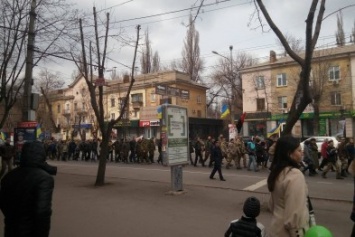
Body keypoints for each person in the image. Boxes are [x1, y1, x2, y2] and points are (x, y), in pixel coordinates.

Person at [0, 140, 57, 237]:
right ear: (42, 155)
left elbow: (3, 203)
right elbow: (42, 212)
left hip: (11, 228)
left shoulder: (9, 176)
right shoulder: (44, 179)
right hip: (31, 231)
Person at [268, 135, 310, 236]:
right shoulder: (295, 175)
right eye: (299, 150)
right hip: (288, 233)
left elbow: (272, 205)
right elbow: (295, 214)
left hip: (276, 227)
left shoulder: (277, 171)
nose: (302, 153)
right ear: (289, 154)